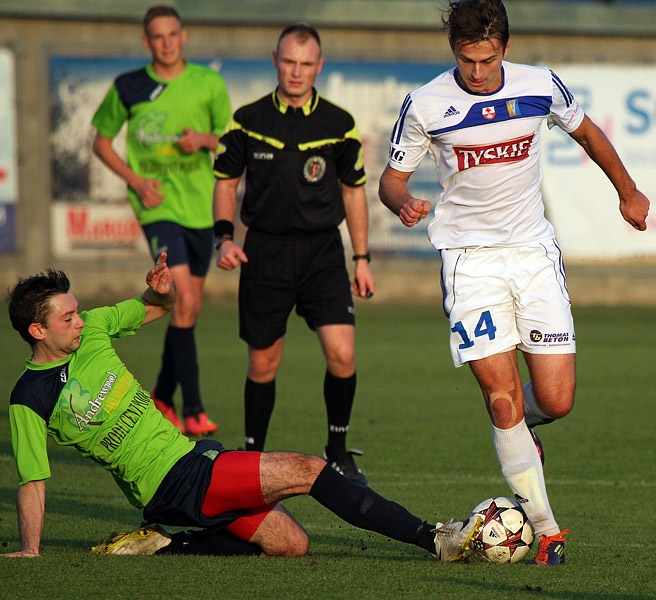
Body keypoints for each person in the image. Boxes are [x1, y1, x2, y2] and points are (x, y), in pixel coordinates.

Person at [378, 0, 650, 567]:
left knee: (556, 399)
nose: (477, 72)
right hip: (469, 262)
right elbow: (391, 180)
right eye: (466, 59)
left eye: (488, 59)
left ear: (506, 47)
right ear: (453, 50)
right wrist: (403, 202)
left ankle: (519, 436)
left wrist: (627, 190)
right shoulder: (426, 103)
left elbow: (589, 134)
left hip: (532, 254)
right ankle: (547, 528)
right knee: (501, 398)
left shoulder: (540, 85)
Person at [2, 256, 482, 560]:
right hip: (168, 483)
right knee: (309, 470)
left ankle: (169, 542)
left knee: (291, 545)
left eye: (78, 311)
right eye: (68, 318)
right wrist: (30, 549)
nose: (80, 322)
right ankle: (433, 538)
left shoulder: (96, 327)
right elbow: (33, 480)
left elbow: (156, 305)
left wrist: (162, 287)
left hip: (190, 459)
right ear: (38, 332)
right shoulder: (29, 398)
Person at [212, 22, 375, 485]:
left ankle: (338, 451)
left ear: (319, 66)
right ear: (275, 60)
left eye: (306, 64)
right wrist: (224, 239)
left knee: (342, 353)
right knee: (264, 362)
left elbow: (354, 192)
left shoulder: (339, 124)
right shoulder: (247, 119)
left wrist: (361, 258)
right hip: (264, 251)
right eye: (289, 62)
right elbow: (225, 183)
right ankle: (250, 460)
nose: (297, 72)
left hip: (323, 252)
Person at [91, 5, 232, 436]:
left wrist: (204, 140)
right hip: (157, 209)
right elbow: (100, 142)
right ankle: (193, 410)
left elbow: (230, 142)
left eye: (172, 34)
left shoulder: (208, 83)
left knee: (188, 308)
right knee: (185, 301)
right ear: (146, 41)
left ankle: (160, 395)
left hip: (200, 207)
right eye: (157, 36)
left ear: (183, 37)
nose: (166, 42)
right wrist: (136, 180)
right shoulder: (129, 86)